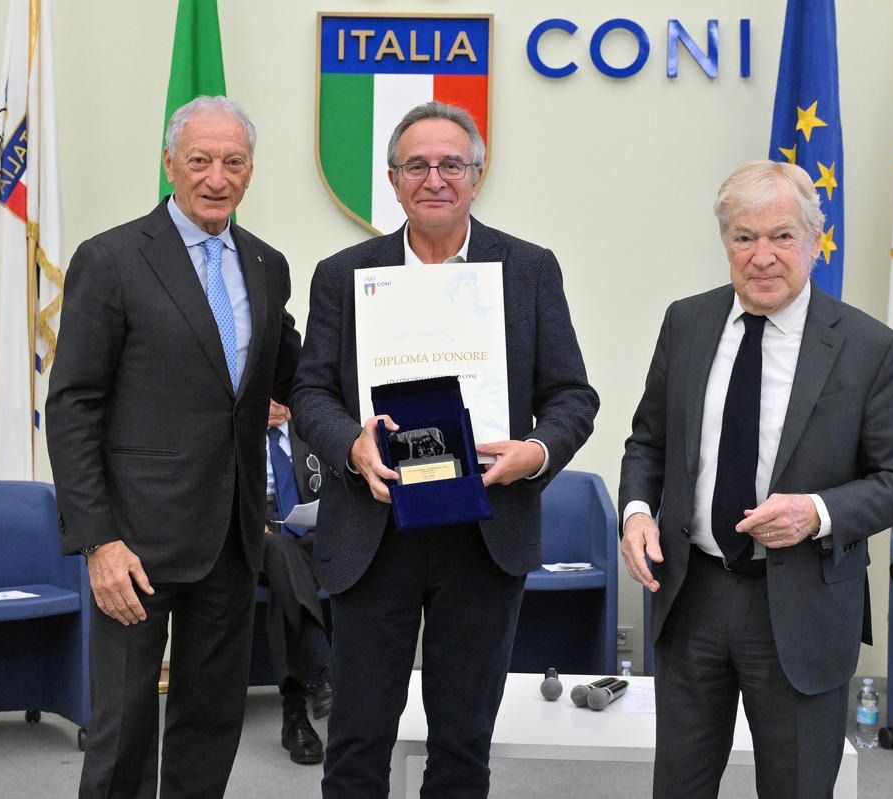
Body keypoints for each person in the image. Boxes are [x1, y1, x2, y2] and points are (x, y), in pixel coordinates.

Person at [290, 101, 599, 797]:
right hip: (374, 531)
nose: (435, 179)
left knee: (462, 747)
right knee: (357, 743)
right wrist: (351, 446)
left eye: (451, 164)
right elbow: (310, 393)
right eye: (417, 166)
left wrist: (535, 452)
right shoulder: (343, 273)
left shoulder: (528, 269)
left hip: (484, 533)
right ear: (393, 180)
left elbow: (571, 397)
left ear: (477, 176)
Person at [619, 159, 893, 798]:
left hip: (802, 604)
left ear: (814, 242)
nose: (762, 256)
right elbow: (647, 442)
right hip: (692, 595)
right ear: (725, 242)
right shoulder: (686, 323)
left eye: (782, 236)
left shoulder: (869, 347)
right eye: (744, 237)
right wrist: (637, 513)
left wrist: (817, 512)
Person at [46, 96, 300, 798]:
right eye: (200, 160)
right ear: (169, 164)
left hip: (232, 536)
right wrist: (98, 541)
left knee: (211, 720)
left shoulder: (267, 263)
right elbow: (72, 406)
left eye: (233, 161)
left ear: (250, 171)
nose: (217, 177)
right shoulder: (111, 258)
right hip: (134, 543)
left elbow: (293, 373)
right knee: (123, 728)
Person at [260, 399, 332, 765]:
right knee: (278, 552)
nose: (275, 403)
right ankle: (322, 672)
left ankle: (295, 716)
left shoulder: (311, 433)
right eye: (267, 393)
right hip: (259, 535)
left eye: (281, 393)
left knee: (285, 582)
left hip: (309, 536)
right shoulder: (236, 434)